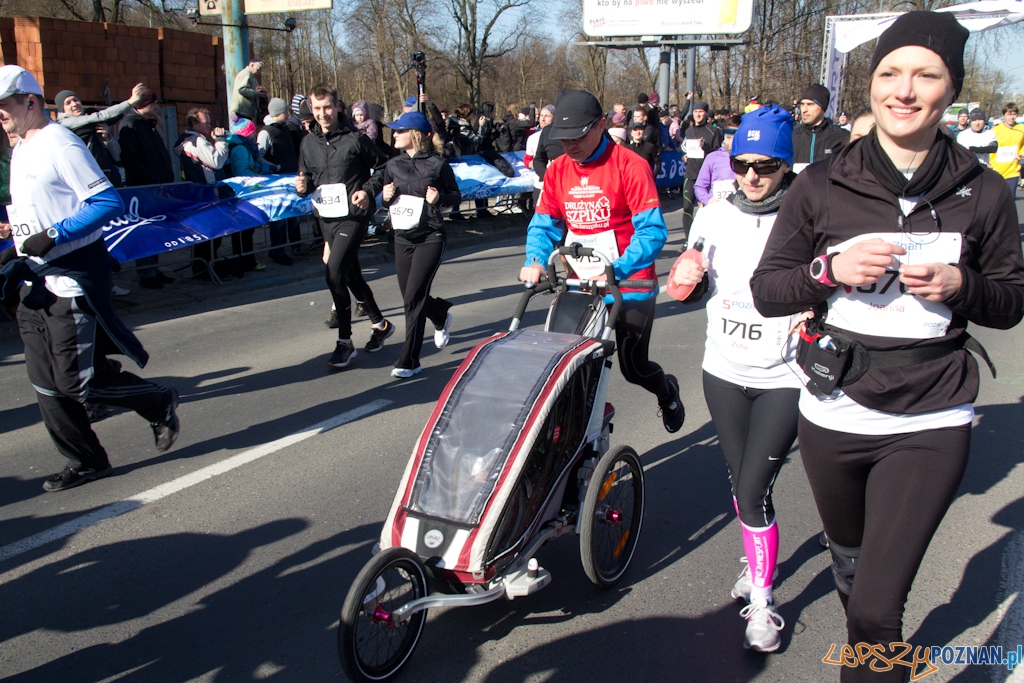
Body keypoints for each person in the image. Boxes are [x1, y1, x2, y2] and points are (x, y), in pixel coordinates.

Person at [749, 13, 1024, 681]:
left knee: (875, 614)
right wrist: (829, 271)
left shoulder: (984, 191)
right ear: (869, 86)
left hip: (931, 413)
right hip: (835, 409)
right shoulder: (819, 184)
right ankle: (858, 588)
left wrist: (962, 284)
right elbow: (768, 289)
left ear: (950, 91)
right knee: (853, 571)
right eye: (888, 74)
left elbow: (1012, 301)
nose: (904, 90)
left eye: (925, 75)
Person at [0, 66, 180, 492]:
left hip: (71, 281)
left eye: (4, 105)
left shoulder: (59, 143)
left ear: (30, 101)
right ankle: (86, 460)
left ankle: (156, 399)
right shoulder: (21, 147)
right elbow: (36, 208)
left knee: (77, 383)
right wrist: (19, 242)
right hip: (34, 282)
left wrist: (56, 235)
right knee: (45, 384)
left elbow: (104, 202)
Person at [671, 104, 801, 653]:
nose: (750, 175)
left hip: (785, 375)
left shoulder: (805, 215)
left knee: (752, 489)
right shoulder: (715, 212)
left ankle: (763, 603)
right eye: (741, 162)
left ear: (786, 166)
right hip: (722, 369)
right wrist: (687, 279)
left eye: (765, 165)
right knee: (741, 479)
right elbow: (695, 273)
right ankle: (756, 558)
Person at [518, 89, 684, 434]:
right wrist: (535, 259)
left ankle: (667, 393)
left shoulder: (630, 165)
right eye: (561, 139)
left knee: (633, 368)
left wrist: (616, 269)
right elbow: (545, 224)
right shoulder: (558, 170)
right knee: (567, 367)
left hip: (629, 284)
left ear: (601, 125)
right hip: (580, 285)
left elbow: (652, 232)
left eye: (577, 136)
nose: (569, 146)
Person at [295, 84, 394, 369]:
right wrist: (302, 188)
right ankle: (380, 324)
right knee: (350, 276)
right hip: (325, 217)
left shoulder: (355, 139)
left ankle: (344, 341)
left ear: (338, 107)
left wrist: (368, 190)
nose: (323, 114)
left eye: (327, 107)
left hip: (353, 216)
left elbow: (383, 166)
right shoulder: (308, 143)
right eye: (317, 109)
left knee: (333, 272)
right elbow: (308, 180)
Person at [379, 112, 459, 378]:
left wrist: (439, 198)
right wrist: (384, 197)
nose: (393, 135)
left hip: (430, 237)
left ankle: (409, 360)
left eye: (399, 131)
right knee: (410, 297)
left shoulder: (437, 165)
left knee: (413, 297)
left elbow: (456, 196)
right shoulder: (392, 165)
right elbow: (386, 199)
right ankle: (438, 313)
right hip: (402, 237)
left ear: (414, 134)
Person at [117, 88, 175, 290]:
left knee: (155, 229)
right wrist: (148, 178)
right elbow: (131, 158)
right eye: (154, 104)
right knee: (144, 230)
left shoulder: (148, 125)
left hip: (156, 185)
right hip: (144, 187)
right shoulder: (130, 125)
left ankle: (154, 269)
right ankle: (145, 272)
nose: (157, 108)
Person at [173, 107, 229, 278]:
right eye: (206, 123)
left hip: (201, 190)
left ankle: (205, 264)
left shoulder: (189, 140)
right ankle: (203, 268)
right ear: (194, 123)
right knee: (211, 233)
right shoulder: (196, 141)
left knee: (209, 233)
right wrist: (220, 141)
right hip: (206, 191)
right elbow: (216, 162)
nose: (210, 126)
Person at [56, 83, 148, 187]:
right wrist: (130, 102)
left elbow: (117, 157)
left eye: (76, 100)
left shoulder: (90, 127)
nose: (74, 104)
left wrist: (106, 138)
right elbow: (101, 116)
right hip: (90, 183)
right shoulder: (65, 124)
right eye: (68, 103)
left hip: (109, 179)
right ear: (62, 109)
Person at [227, 116, 272, 274]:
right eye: (252, 131)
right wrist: (259, 173)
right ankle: (245, 261)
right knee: (244, 231)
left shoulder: (244, 146)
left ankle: (247, 260)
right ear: (247, 133)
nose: (255, 134)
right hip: (242, 194)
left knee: (247, 230)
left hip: (245, 193)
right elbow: (241, 172)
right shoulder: (240, 148)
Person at [258, 97, 300, 266]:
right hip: (276, 182)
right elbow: (259, 155)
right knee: (278, 219)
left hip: (290, 178)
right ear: (279, 112)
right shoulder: (266, 132)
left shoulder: (285, 129)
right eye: (286, 111)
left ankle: (290, 247)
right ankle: (277, 251)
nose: (288, 113)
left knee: (293, 217)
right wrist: (274, 167)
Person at [681, 101, 723, 242]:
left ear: (706, 113)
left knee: (705, 209)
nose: (698, 114)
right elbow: (686, 148)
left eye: (700, 112)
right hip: (691, 174)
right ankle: (689, 240)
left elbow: (718, 153)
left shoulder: (713, 131)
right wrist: (685, 156)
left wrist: (704, 147)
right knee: (687, 207)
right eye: (695, 112)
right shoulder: (689, 131)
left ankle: (707, 238)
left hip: (706, 176)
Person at [791, 84, 850, 173]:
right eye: (802, 104)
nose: (804, 109)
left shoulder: (841, 136)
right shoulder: (791, 136)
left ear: (822, 107)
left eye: (810, 104)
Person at [695, 114, 741, 206]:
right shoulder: (712, 157)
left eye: (735, 138)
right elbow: (699, 186)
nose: (731, 142)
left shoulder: (749, 160)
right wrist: (708, 200)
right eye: (728, 138)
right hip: (716, 211)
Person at [990, 102, 1024, 197]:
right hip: (996, 169)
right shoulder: (995, 131)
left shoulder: (1021, 129)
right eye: (1009, 114)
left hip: (1013, 170)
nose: (1011, 117)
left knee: (1009, 198)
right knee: (995, 198)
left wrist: (1022, 153)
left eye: (1014, 114)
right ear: (1003, 115)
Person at [231, 57, 264, 122]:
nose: (259, 71)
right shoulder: (246, 74)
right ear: (252, 65)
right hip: (242, 111)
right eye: (258, 69)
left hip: (245, 111)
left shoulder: (250, 75)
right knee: (245, 131)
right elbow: (241, 89)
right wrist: (256, 93)